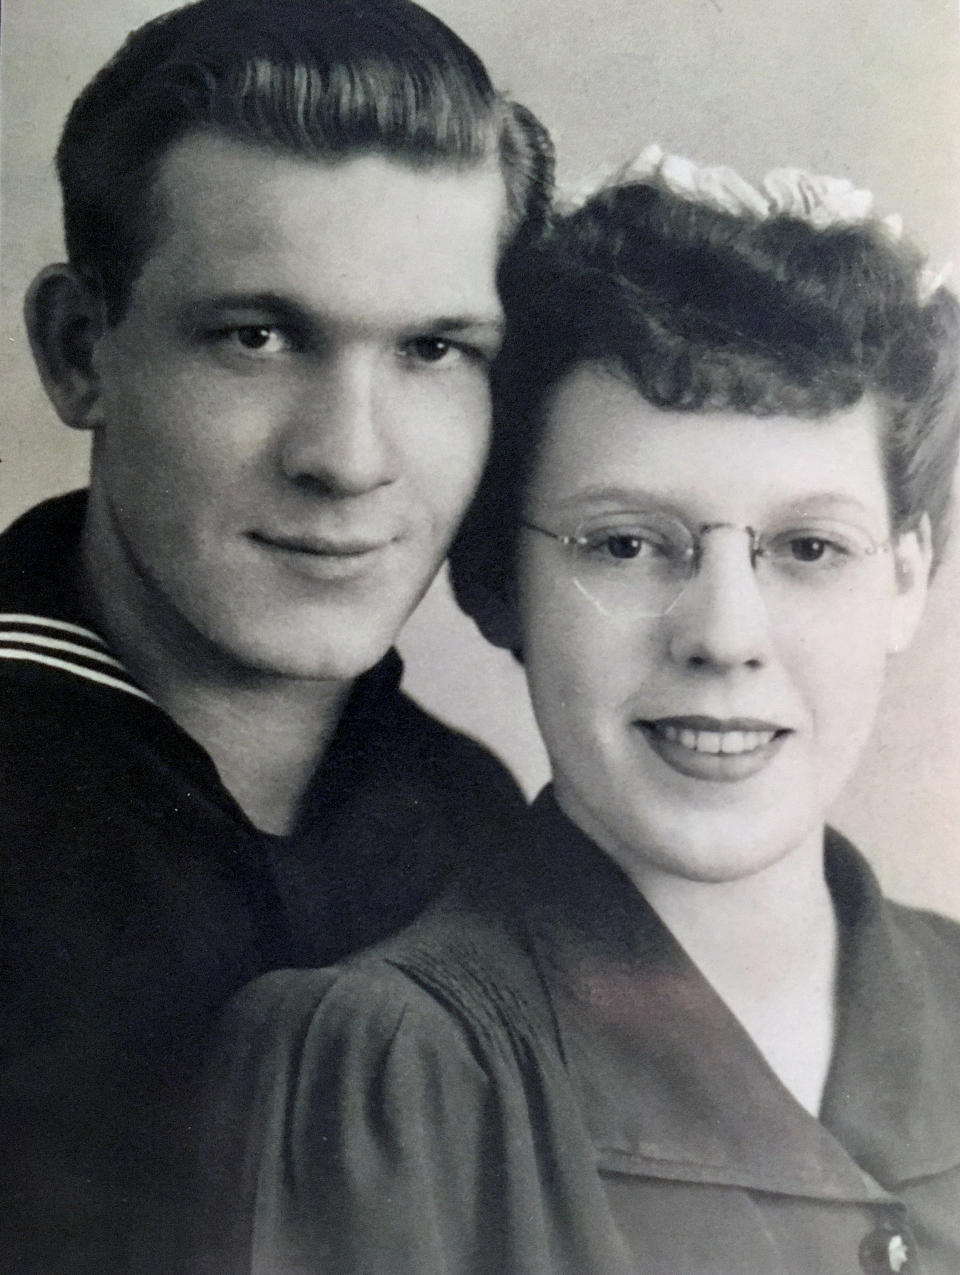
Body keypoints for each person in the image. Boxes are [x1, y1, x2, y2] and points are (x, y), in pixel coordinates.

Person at [193, 149, 960, 1273]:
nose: (724, 634)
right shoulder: (393, 1068)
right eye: (628, 544)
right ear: (496, 583)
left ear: (905, 579)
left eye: (809, 548)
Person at [0, 0, 552, 1268]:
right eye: (257, 336)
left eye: (432, 348)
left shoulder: (474, 824)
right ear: (82, 351)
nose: (349, 459)